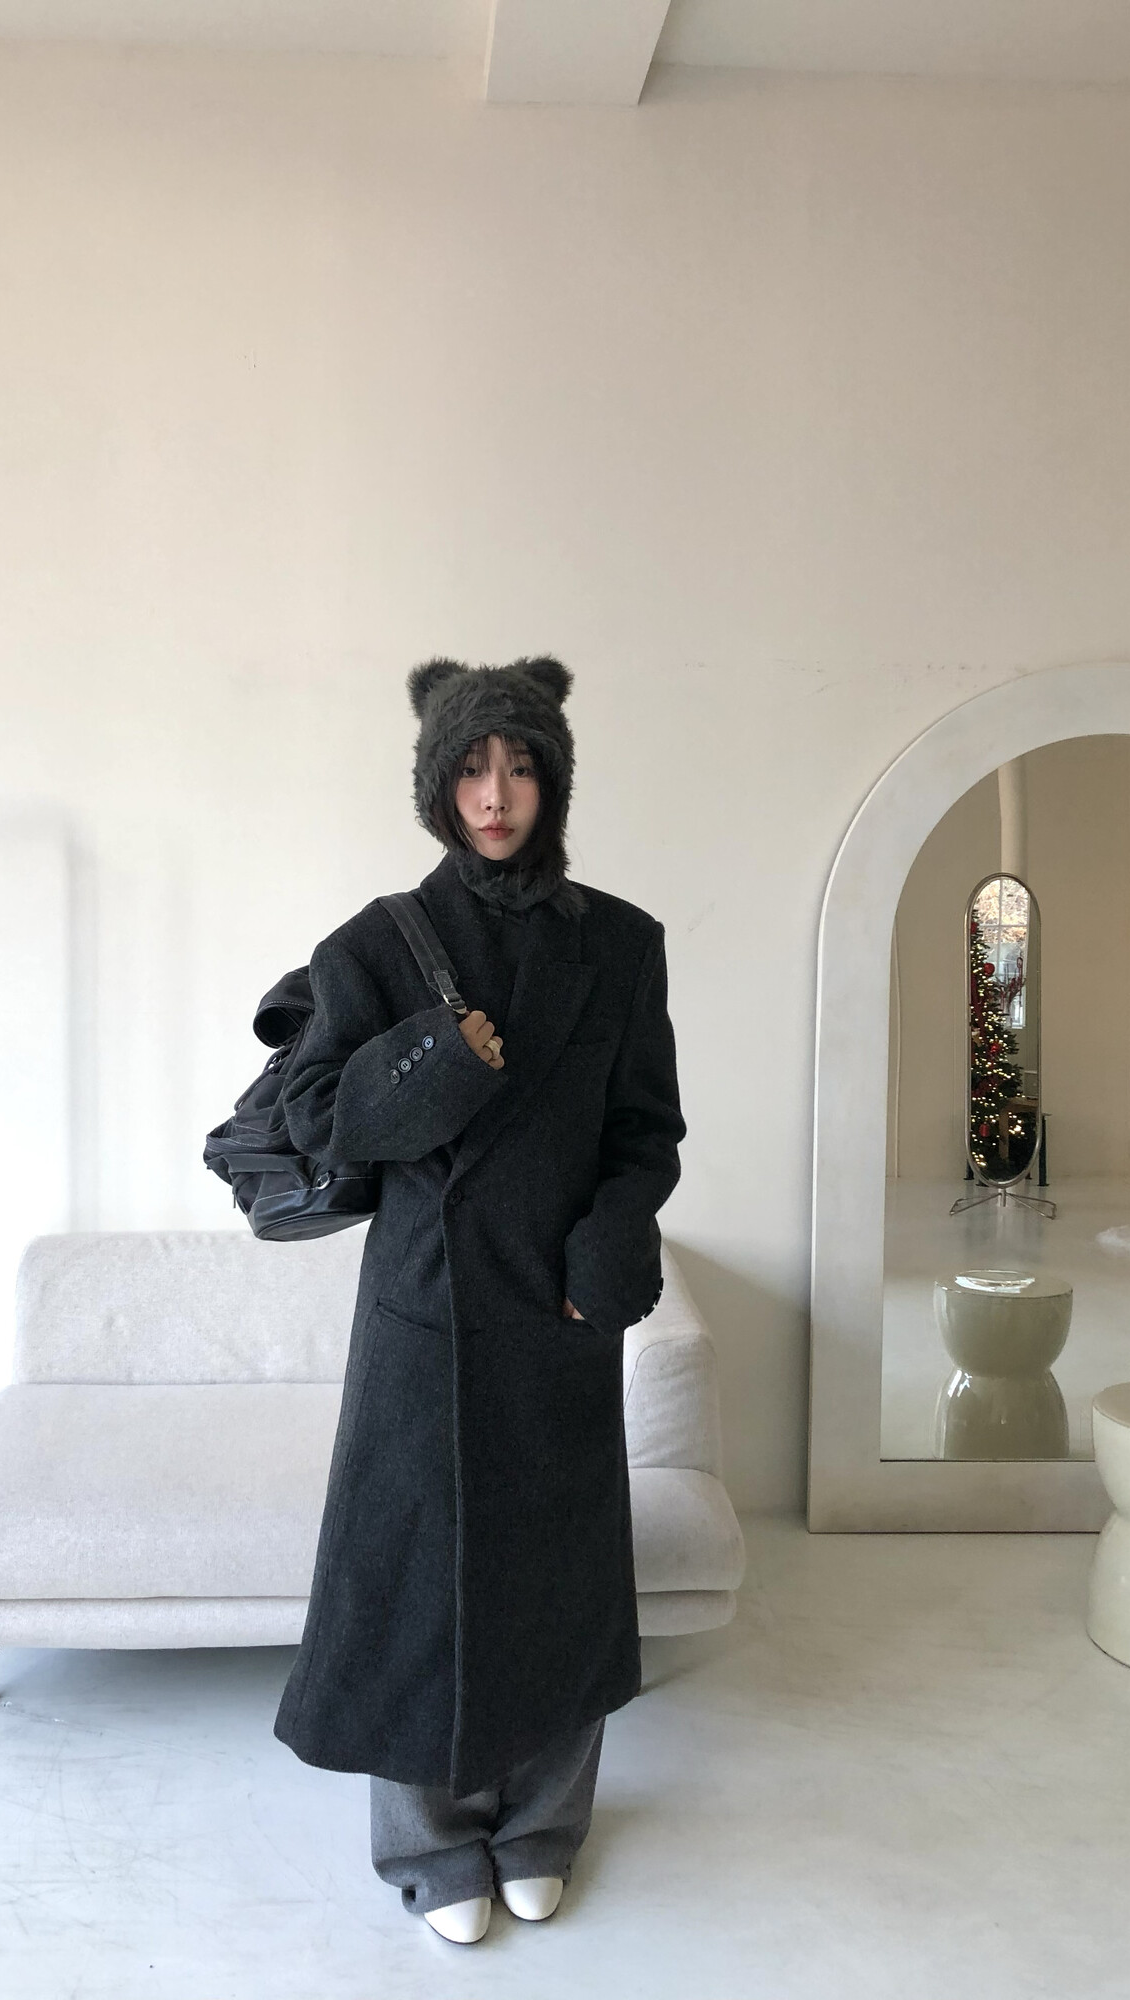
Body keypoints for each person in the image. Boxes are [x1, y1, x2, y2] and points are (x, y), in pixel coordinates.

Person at [273, 655, 685, 1943]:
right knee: (418, 1578)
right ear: (435, 787)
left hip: (559, 1306)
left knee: (560, 1573)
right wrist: (433, 1059)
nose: (495, 795)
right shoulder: (379, 943)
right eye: (468, 769)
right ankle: (431, 1840)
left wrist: (613, 1241)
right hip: (425, 1307)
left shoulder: (621, 944)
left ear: (553, 778)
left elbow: (646, 1130)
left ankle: (543, 1823)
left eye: (518, 766)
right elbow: (321, 1119)